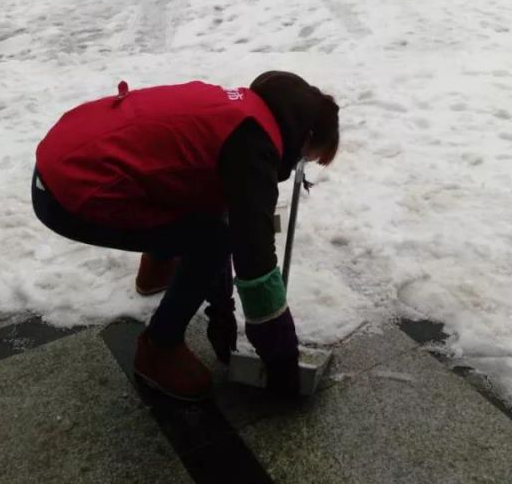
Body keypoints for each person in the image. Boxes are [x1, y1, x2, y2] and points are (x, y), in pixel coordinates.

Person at [32, 73, 340, 401]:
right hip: (72, 188)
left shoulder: (241, 112)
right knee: (211, 242)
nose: (300, 165)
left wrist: (220, 309)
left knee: (195, 194)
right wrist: (282, 360)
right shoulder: (252, 149)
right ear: (304, 137)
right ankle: (159, 349)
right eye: (308, 158)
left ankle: (157, 268)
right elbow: (255, 263)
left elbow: (208, 194)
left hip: (66, 152)